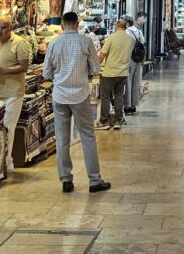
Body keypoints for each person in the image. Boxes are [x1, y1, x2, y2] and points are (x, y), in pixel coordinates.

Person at [42, 11, 110, 193]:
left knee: (62, 139)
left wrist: (60, 75)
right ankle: (94, 181)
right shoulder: (85, 41)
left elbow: (46, 73)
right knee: (87, 136)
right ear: (77, 24)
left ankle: (66, 180)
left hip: (60, 96)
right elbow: (96, 68)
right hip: (80, 95)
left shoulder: (53, 43)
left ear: (62, 25)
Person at [0, 14, 29, 175]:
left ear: (11, 28)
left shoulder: (19, 43)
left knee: (8, 127)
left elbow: (24, 67)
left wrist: (5, 70)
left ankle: (6, 163)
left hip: (13, 92)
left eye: (3, 28)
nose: (0, 31)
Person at [97, 18, 134, 130]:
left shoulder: (111, 38)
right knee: (119, 96)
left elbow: (103, 54)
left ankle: (104, 121)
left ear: (117, 25)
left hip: (109, 72)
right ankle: (118, 120)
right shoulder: (130, 39)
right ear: (125, 26)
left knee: (105, 97)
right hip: (123, 72)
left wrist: (95, 65)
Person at [125, 13, 146, 116]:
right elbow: (143, 46)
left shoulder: (126, 33)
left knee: (128, 82)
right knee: (136, 82)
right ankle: (134, 105)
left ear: (127, 24)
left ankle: (127, 106)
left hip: (128, 59)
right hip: (138, 59)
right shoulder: (138, 32)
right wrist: (142, 60)